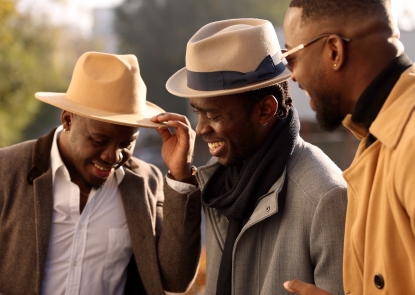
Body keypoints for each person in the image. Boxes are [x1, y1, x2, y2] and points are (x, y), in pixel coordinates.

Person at [152, 18, 347, 295]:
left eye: (214, 115)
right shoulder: (218, 177)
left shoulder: (325, 196)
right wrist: (181, 178)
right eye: (198, 112)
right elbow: (174, 278)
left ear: (265, 110)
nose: (201, 129)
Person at [0, 51, 201, 295]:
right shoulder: (7, 171)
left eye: (126, 143)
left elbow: (176, 280)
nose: (113, 156)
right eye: (99, 140)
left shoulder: (146, 182)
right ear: (67, 120)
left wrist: (181, 176)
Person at [281, 0, 415, 294]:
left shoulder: (409, 142)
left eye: (290, 56)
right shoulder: (376, 136)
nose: (292, 75)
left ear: (334, 51)